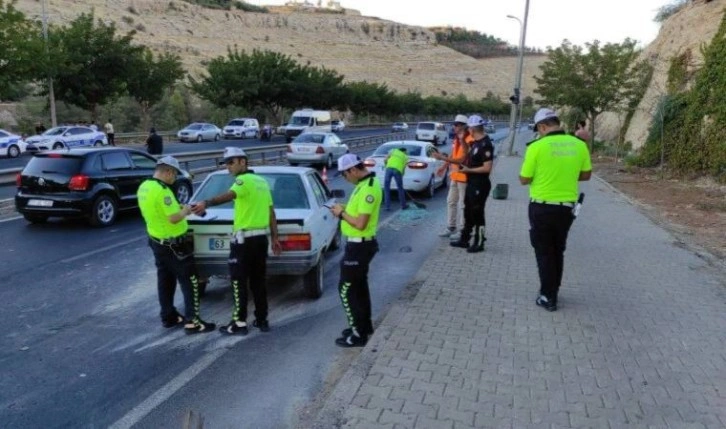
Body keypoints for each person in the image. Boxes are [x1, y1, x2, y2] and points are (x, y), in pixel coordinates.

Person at [191, 147, 282, 335]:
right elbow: (271, 212)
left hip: (243, 242)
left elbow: (228, 196)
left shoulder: (243, 181)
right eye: (226, 163)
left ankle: (239, 324)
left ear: (243, 161)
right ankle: (262, 320)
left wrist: (205, 203)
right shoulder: (262, 182)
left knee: (238, 281)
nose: (228, 167)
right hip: (260, 240)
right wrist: (275, 237)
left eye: (231, 162)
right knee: (258, 281)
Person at [520, 108, 592, 312]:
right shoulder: (579, 145)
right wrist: (565, 176)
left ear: (542, 127)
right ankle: (554, 290)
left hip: (541, 207)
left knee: (544, 252)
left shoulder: (536, 147)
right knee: (558, 251)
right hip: (566, 209)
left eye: (538, 130)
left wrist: (544, 175)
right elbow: (586, 175)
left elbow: (524, 179)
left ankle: (547, 296)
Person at [137, 156, 216, 333]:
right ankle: (193, 322)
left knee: (165, 280)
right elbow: (173, 218)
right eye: (174, 175)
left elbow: (158, 210)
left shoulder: (145, 187)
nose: (174, 179)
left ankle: (168, 316)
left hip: (157, 241)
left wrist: (178, 206)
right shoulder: (163, 191)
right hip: (174, 245)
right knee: (190, 281)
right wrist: (186, 210)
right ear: (168, 171)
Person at [329, 154, 382, 348]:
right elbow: (358, 211)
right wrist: (343, 208)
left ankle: (358, 334)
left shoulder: (368, 188)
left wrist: (341, 213)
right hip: (358, 245)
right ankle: (363, 326)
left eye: (344, 175)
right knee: (359, 288)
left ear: (352, 170)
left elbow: (360, 223)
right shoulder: (364, 184)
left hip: (360, 246)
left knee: (346, 289)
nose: (345, 179)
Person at [450, 115, 494, 253]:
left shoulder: (485, 144)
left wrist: (469, 170)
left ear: (473, 129)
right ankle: (464, 239)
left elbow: (487, 167)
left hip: (480, 184)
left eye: (469, 127)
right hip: (471, 182)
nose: (467, 130)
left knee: (477, 213)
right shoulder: (475, 142)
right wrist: (462, 140)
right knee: (468, 212)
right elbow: (465, 153)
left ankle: (479, 241)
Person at [432, 114, 474, 240]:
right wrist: (444, 166)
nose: (454, 127)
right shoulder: (457, 139)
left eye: (456, 125)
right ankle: (451, 227)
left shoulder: (469, 140)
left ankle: (464, 230)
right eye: (454, 125)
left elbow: (462, 159)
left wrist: (441, 158)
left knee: (464, 205)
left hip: (465, 177)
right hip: (455, 176)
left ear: (463, 126)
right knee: (451, 202)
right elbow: (453, 154)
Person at [383, 147, 408, 211]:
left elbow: (385, 160)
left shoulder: (394, 151)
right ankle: (403, 205)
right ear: (404, 151)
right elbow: (404, 168)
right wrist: (401, 175)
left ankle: (387, 207)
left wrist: (386, 166)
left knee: (386, 188)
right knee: (400, 188)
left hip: (389, 169)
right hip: (397, 171)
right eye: (406, 152)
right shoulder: (405, 157)